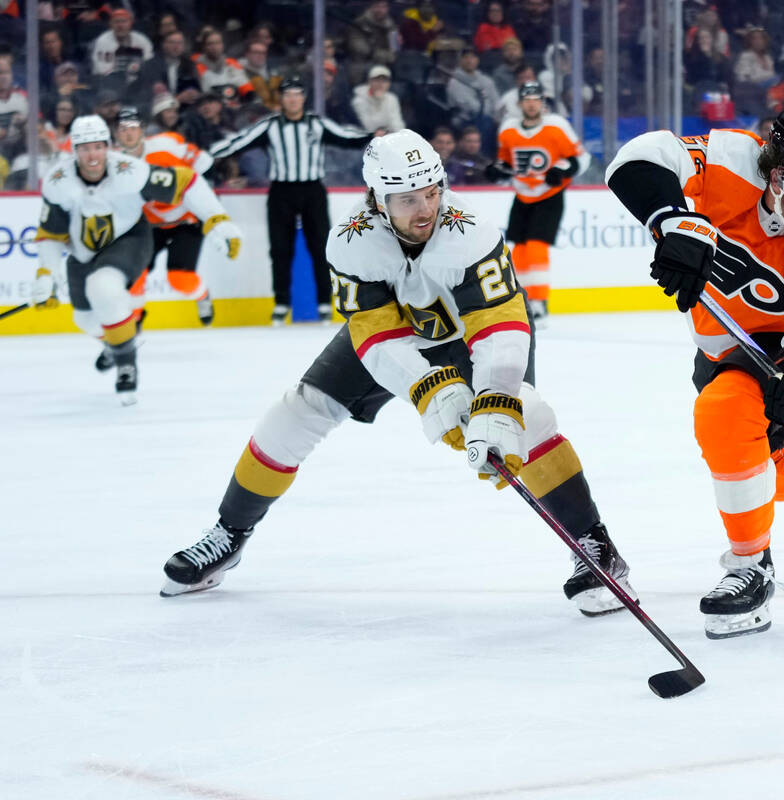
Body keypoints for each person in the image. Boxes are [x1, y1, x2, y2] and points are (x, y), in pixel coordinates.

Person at [159, 130, 638, 620]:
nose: (425, 208)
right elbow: (375, 333)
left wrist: (493, 401)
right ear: (376, 199)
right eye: (408, 199)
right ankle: (230, 532)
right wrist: (434, 391)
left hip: (476, 336)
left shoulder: (470, 230)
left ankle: (595, 546)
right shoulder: (350, 242)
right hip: (392, 337)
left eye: (431, 192)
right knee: (293, 414)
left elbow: (500, 324)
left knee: (527, 416)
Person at [605, 104, 784, 639]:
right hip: (717, 346)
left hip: (782, 352)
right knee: (775, 469)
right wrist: (673, 219)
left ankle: (750, 568)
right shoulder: (730, 160)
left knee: (723, 416)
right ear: (778, 174)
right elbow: (637, 158)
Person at [30, 115, 239, 404]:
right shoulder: (57, 182)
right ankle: (118, 344)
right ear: (74, 151)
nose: (92, 155)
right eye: (85, 148)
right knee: (86, 319)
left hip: (129, 240)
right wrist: (46, 273)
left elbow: (187, 181)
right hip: (82, 254)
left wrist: (218, 220)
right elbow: (50, 235)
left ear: (108, 146)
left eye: (98, 147)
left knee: (104, 287)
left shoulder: (131, 171)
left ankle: (126, 363)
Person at [208, 76, 374, 324]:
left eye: (297, 94)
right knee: (279, 249)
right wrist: (208, 154)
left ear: (303, 98)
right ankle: (281, 303)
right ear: (282, 99)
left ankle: (323, 303)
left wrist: (374, 135)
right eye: (288, 95)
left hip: (312, 190)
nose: (293, 99)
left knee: (320, 247)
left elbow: (346, 137)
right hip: (281, 192)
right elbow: (239, 142)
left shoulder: (316, 124)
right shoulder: (270, 126)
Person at [112, 107, 235, 338]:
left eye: (133, 128)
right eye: (122, 129)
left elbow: (204, 162)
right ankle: (134, 320)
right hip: (148, 225)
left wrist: (201, 198)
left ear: (142, 130)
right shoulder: (114, 163)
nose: (128, 134)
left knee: (180, 280)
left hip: (185, 219)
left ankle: (202, 296)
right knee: (134, 273)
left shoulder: (166, 146)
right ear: (116, 133)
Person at [486, 81, 589, 325]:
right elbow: (506, 162)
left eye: (536, 99)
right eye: (527, 99)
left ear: (542, 102)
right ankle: (523, 298)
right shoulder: (508, 129)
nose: (531, 103)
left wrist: (561, 171)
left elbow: (580, 158)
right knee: (518, 248)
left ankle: (540, 302)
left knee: (536, 245)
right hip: (522, 194)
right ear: (520, 102)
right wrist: (497, 171)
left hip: (549, 196)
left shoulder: (556, 126)